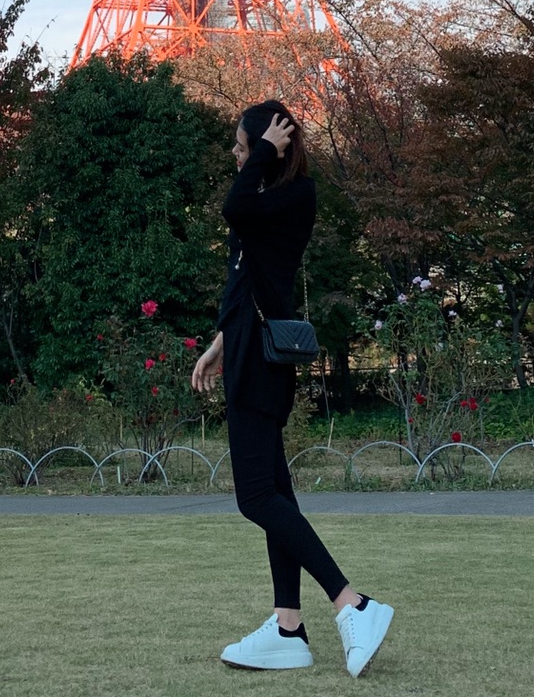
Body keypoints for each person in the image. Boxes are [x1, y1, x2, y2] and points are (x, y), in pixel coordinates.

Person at [192, 99, 394, 677]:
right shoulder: (261, 203)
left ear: (274, 146)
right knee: (275, 494)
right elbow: (250, 286)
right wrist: (219, 343)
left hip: (262, 363)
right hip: (245, 353)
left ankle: (352, 603)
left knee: (255, 498)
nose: (236, 155)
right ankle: (287, 628)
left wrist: (263, 150)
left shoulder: (291, 198)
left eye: (241, 145)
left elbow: (236, 209)